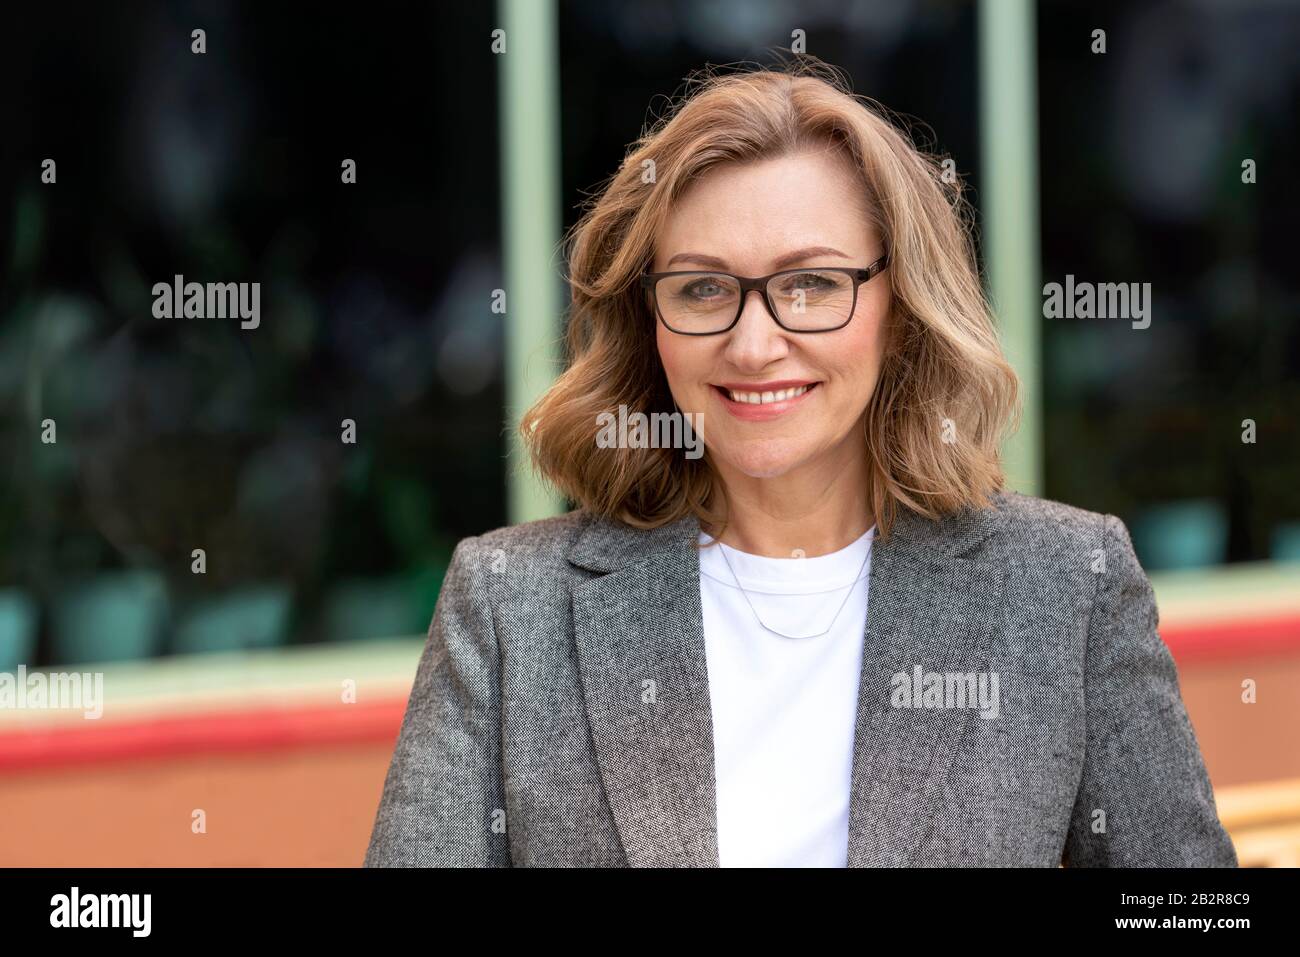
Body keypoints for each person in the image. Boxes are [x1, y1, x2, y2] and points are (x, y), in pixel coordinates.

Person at [364, 60, 1237, 867]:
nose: (753, 344)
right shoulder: (510, 604)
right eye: (703, 288)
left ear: (901, 306)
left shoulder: (1064, 587)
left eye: (812, 283)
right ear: (650, 321)